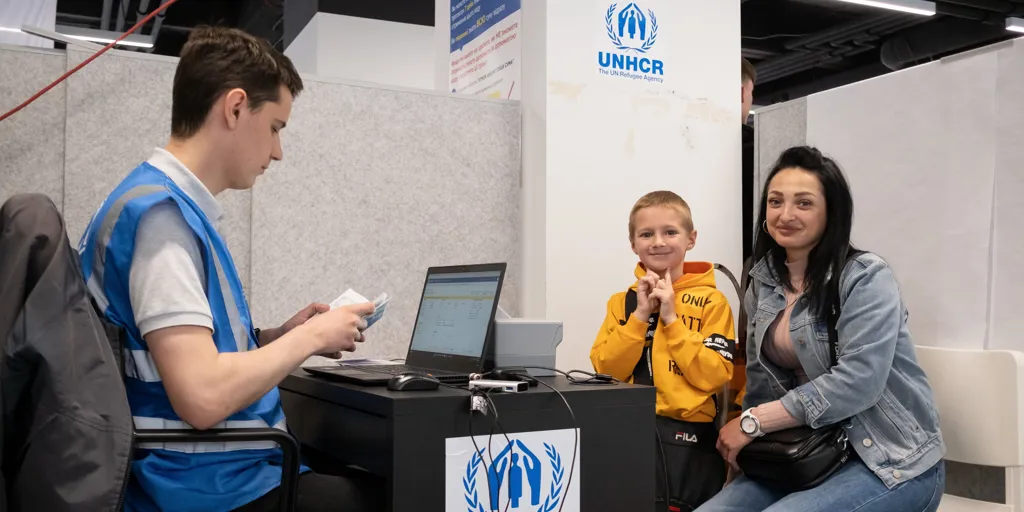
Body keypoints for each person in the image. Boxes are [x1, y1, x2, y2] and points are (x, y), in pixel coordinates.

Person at [77, 27, 383, 512]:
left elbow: (181, 355)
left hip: (208, 473)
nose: (278, 151)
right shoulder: (161, 221)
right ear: (236, 108)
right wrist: (309, 340)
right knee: (392, 492)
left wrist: (278, 335)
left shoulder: (163, 208)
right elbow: (200, 395)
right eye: (276, 127)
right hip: (195, 487)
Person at [697, 146, 945, 512]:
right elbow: (761, 384)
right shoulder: (762, 282)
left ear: (832, 212)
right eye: (776, 201)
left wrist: (753, 423)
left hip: (892, 462)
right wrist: (744, 460)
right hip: (806, 459)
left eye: (804, 203)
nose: (786, 214)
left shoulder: (865, 278)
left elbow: (859, 381)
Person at [590, 191, 737, 511]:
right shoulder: (623, 303)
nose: (658, 242)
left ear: (691, 239)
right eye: (646, 234)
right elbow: (606, 371)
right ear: (633, 244)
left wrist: (671, 318)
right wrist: (640, 317)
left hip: (691, 443)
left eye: (670, 232)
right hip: (631, 435)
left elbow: (714, 376)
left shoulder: (712, 302)